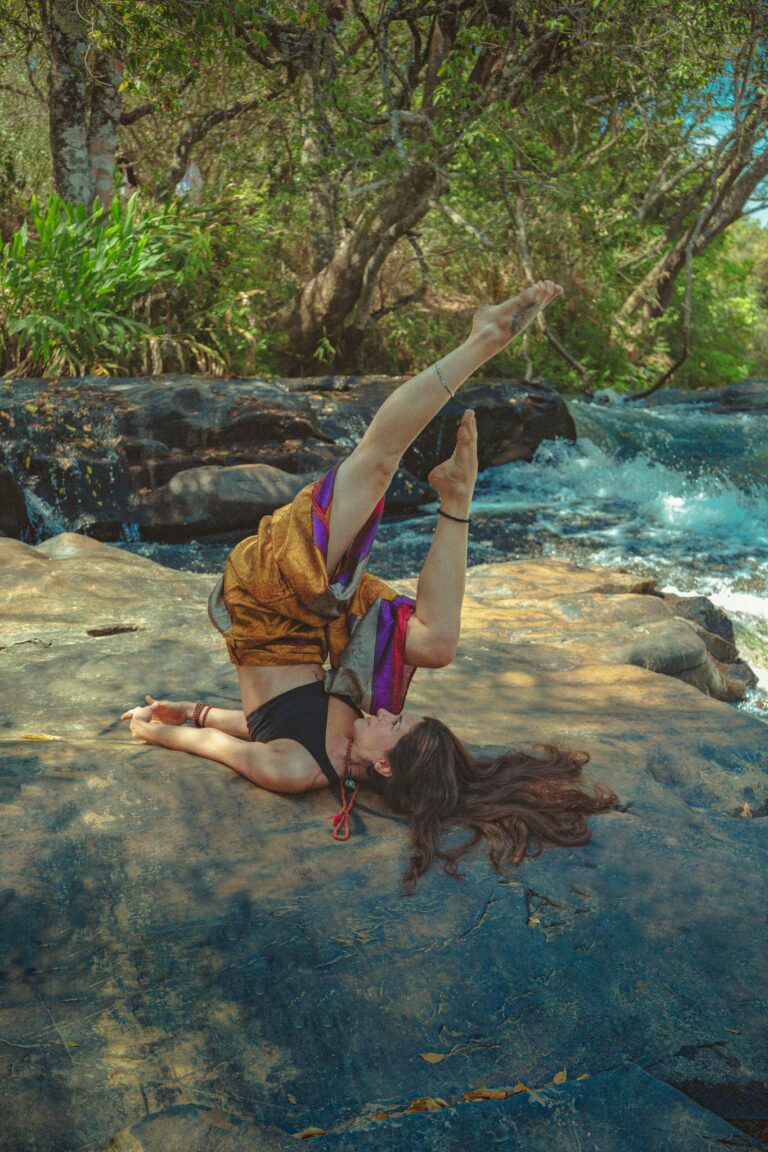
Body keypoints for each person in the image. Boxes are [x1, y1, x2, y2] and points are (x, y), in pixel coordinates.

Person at [122, 281, 617, 889]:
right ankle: (455, 499)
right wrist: (197, 708)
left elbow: (226, 745)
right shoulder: (346, 742)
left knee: (377, 465)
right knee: (436, 646)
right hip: (319, 621)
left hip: (266, 598)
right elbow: (267, 719)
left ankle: (483, 339)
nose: (388, 710)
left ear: (383, 763)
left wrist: (161, 728)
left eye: (396, 725)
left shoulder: (297, 770)